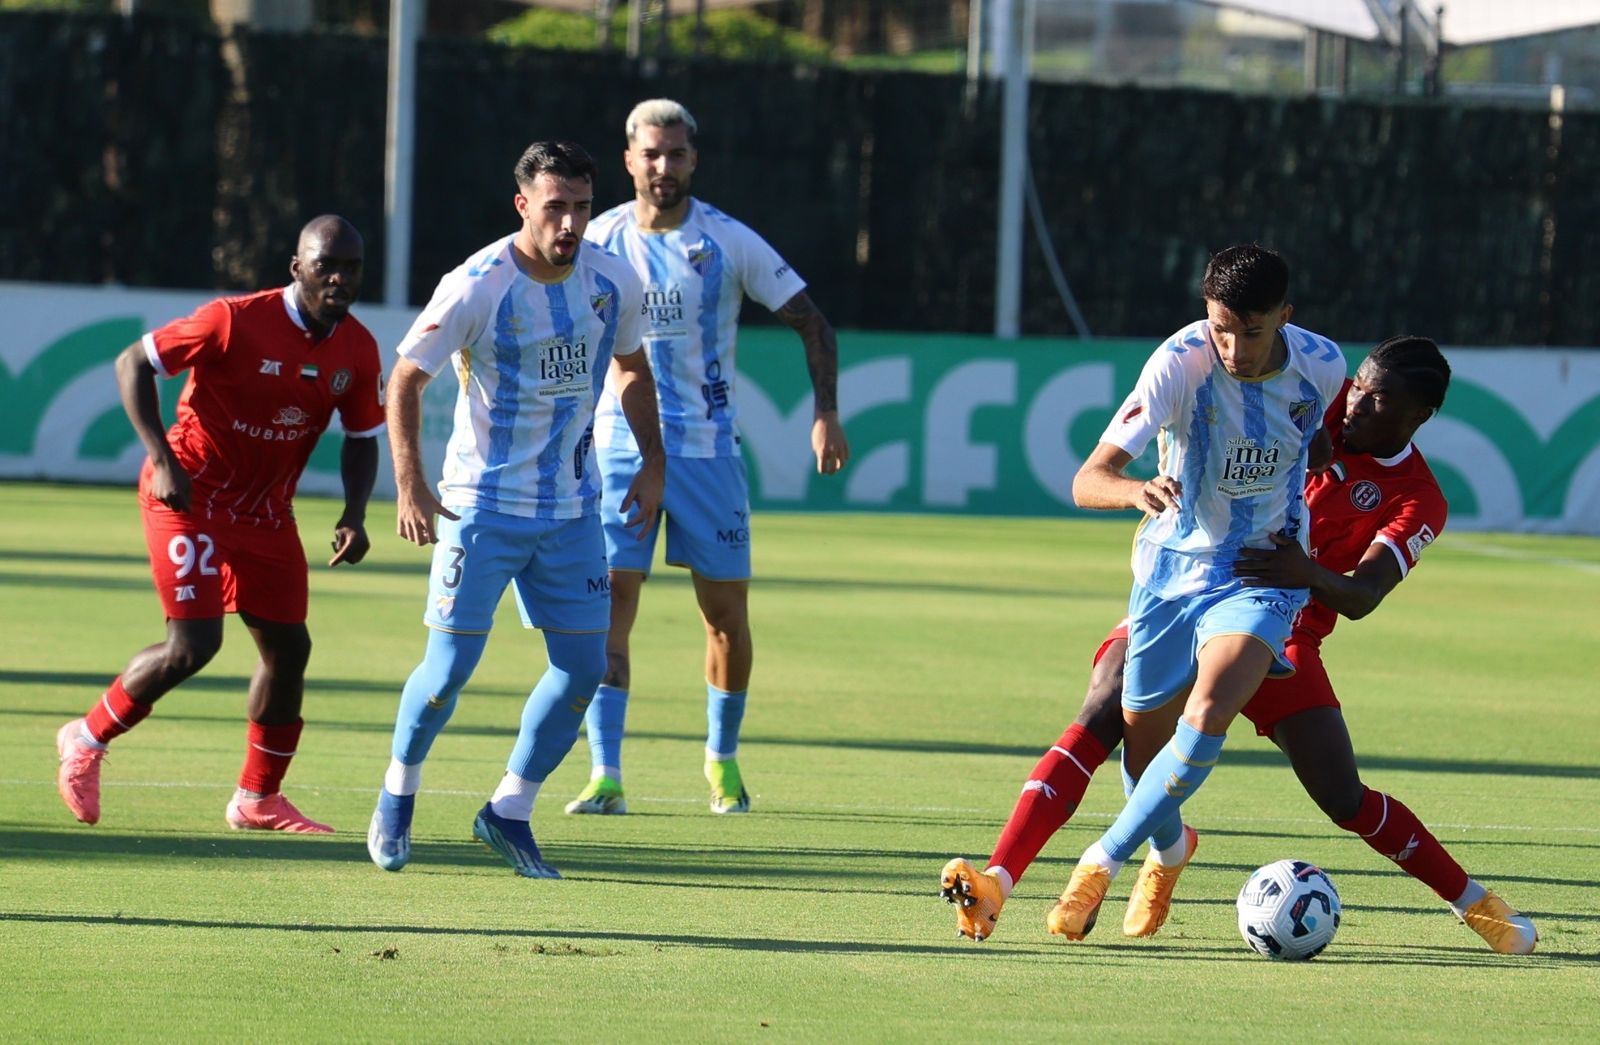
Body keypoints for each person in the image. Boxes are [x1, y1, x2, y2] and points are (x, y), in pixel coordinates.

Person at [940, 336, 1537, 954]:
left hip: (1289, 630)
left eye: (1380, 399)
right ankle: (1003, 880)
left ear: (1419, 416)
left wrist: (1303, 571)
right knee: (1106, 705)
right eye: (1358, 384)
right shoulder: (1315, 403)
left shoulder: (1418, 497)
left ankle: (1479, 907)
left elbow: (1363, 595)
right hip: (1197, 585)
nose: (1356, 402)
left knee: (1343, 796)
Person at [365, 140, 663, 879]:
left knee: (584, 665)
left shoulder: (612, 281)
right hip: (482, 507)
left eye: (583, 207)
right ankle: (397, 794)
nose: (570, 222)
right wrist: (408, 482)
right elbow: (404, 379)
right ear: (522, 205)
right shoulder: (477, 284)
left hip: (571, 510)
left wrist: (654, 460)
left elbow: (630, 367)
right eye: (555, 206)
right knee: (448, 671)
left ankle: (509, 809)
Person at [1034, 244, 1346, 938]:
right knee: (1143, 752)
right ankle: (1170, 850)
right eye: (1220, 327)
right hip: (1172, 574)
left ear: (1285, 319)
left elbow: (1316, 438)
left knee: (1209, 707)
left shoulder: (1324, 364)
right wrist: (1135, 490)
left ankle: (1097, 862)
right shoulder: (1178, 364)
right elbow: (1089, 477)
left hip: (1259, 573)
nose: (1233, 346)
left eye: (1252, 330)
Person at [563, 98, 849, 817]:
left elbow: (812, 321)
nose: (664, 166)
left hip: (708, 452)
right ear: (628, 159)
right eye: (651, 154)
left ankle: (722, 764)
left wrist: (825, 413)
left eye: (677, 153)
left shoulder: (727, 241)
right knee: (608, 611)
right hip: (620, 449)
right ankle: (605, 773)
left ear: (694, 158)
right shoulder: (593, 240)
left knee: (724, 614)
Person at [54, 215, 383, 834]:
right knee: (194, 645)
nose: (340, 278)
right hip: (188, 497)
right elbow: (133, 363)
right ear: (297, 268)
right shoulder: (235, 319)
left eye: (352, 267)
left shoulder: (357, 349)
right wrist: (162, 459)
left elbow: (362, 437)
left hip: (265, 512)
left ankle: (257, 798)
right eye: (326, 266)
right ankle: (86, 738)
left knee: (290, 650)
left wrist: (354, 513)